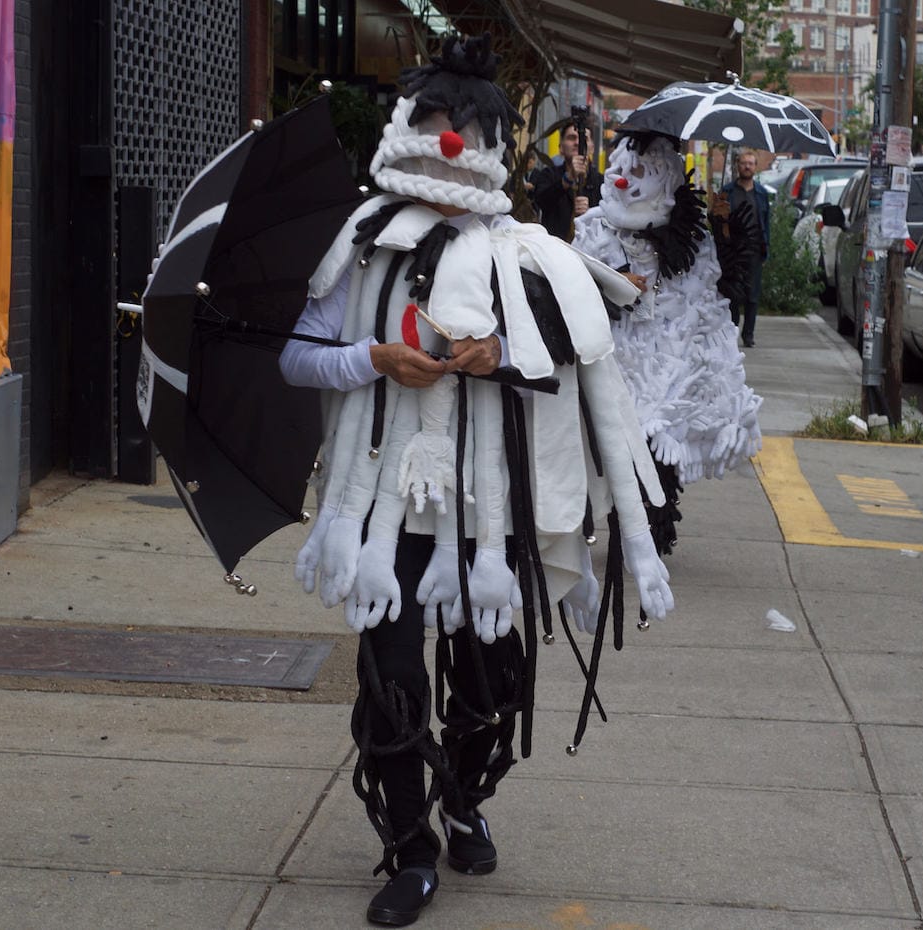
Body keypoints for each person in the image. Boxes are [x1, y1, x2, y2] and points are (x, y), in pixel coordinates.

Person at [279, 35, 674, 927]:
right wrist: (372, 359)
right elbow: (298, 360)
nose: (449, 141)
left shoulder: (527, 256)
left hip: (490, 519)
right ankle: (410, 843)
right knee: (390, 680)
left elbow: (573, 369)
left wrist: (502, 354)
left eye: (465, 126)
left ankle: (465, 795)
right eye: (433, 121)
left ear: (495, 142)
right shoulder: (364, 241)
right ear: (404, 126)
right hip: (387, 508)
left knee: (492, 679)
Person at [571, 133, 763, 553]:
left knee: (655, 446)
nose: (624, 182)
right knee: (606, 441)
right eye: (621, 171)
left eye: (638, 173)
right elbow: (570, 289)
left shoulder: (691, 242)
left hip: (665, 361)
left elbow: (718, 289)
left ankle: (648, 526)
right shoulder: (594, 231)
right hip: (613, 353)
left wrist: (726, 229)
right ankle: (611, 517)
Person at [712, 150, 771, 347]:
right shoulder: (727, 192)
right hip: (732, 251)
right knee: (732, 294)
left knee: (752, 294)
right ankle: (732, 330)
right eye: (744, 163)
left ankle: (749, 334)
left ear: (756, 167)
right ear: (737, 165)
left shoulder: (761, 194)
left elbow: (766, 222)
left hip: (754, 249)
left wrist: (766, 247)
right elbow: (717, 220)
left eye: (751, 163)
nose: (747, 166)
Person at [530, 120, 602, 240]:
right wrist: (567, 179)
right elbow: (541, 201)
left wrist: (590, 212)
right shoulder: (548, 175)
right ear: (561, 148)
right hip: (556, 249)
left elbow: (609, 219)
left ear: (592, 148)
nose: (578, 143)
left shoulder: (601, 182)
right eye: (571, 138)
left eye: (584, 138)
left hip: (590, 251)